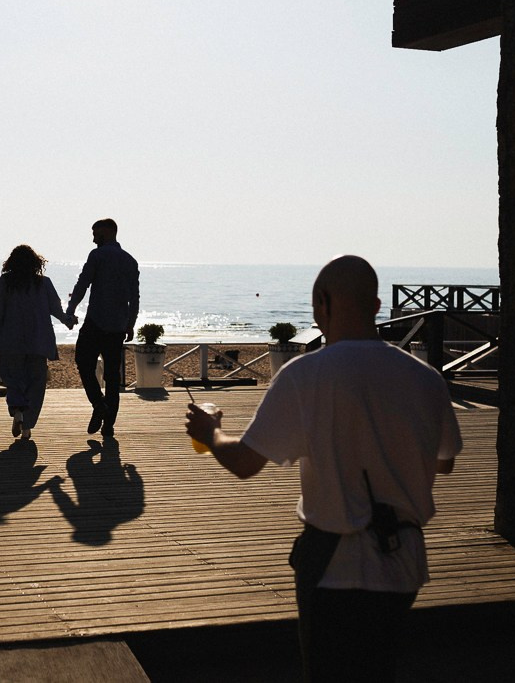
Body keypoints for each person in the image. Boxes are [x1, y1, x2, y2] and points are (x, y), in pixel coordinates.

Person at [185, 255, 462, 682]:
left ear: (321, 304)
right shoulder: (425, 378)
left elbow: (244, 463)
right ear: (376, 306)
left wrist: (211, 432)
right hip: (403, 562)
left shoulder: (306, 375)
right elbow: (444, 461)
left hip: (335, 565)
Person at [0, 244, 75, 440]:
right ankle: (27, 427)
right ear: (36, 263)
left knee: (13, 379)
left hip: (11, 341)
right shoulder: (44, 283)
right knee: (36, 384)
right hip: (38, 341)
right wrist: (68, 321)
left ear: (11, 263)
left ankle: (17, 410)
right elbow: (56, 309)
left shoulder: (6, 282)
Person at [65, 218, 139, 439]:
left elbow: (83, 284)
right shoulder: (130, 261)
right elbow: (134, 297)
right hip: (118, 326)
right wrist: (131, 323)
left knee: (83, 362)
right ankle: (108, 424)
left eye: (95, 234)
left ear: (105, 233)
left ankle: (98, 405)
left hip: (95, 322)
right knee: (112, 377)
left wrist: (71, 308)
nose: (93, 239)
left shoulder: (97, 255)